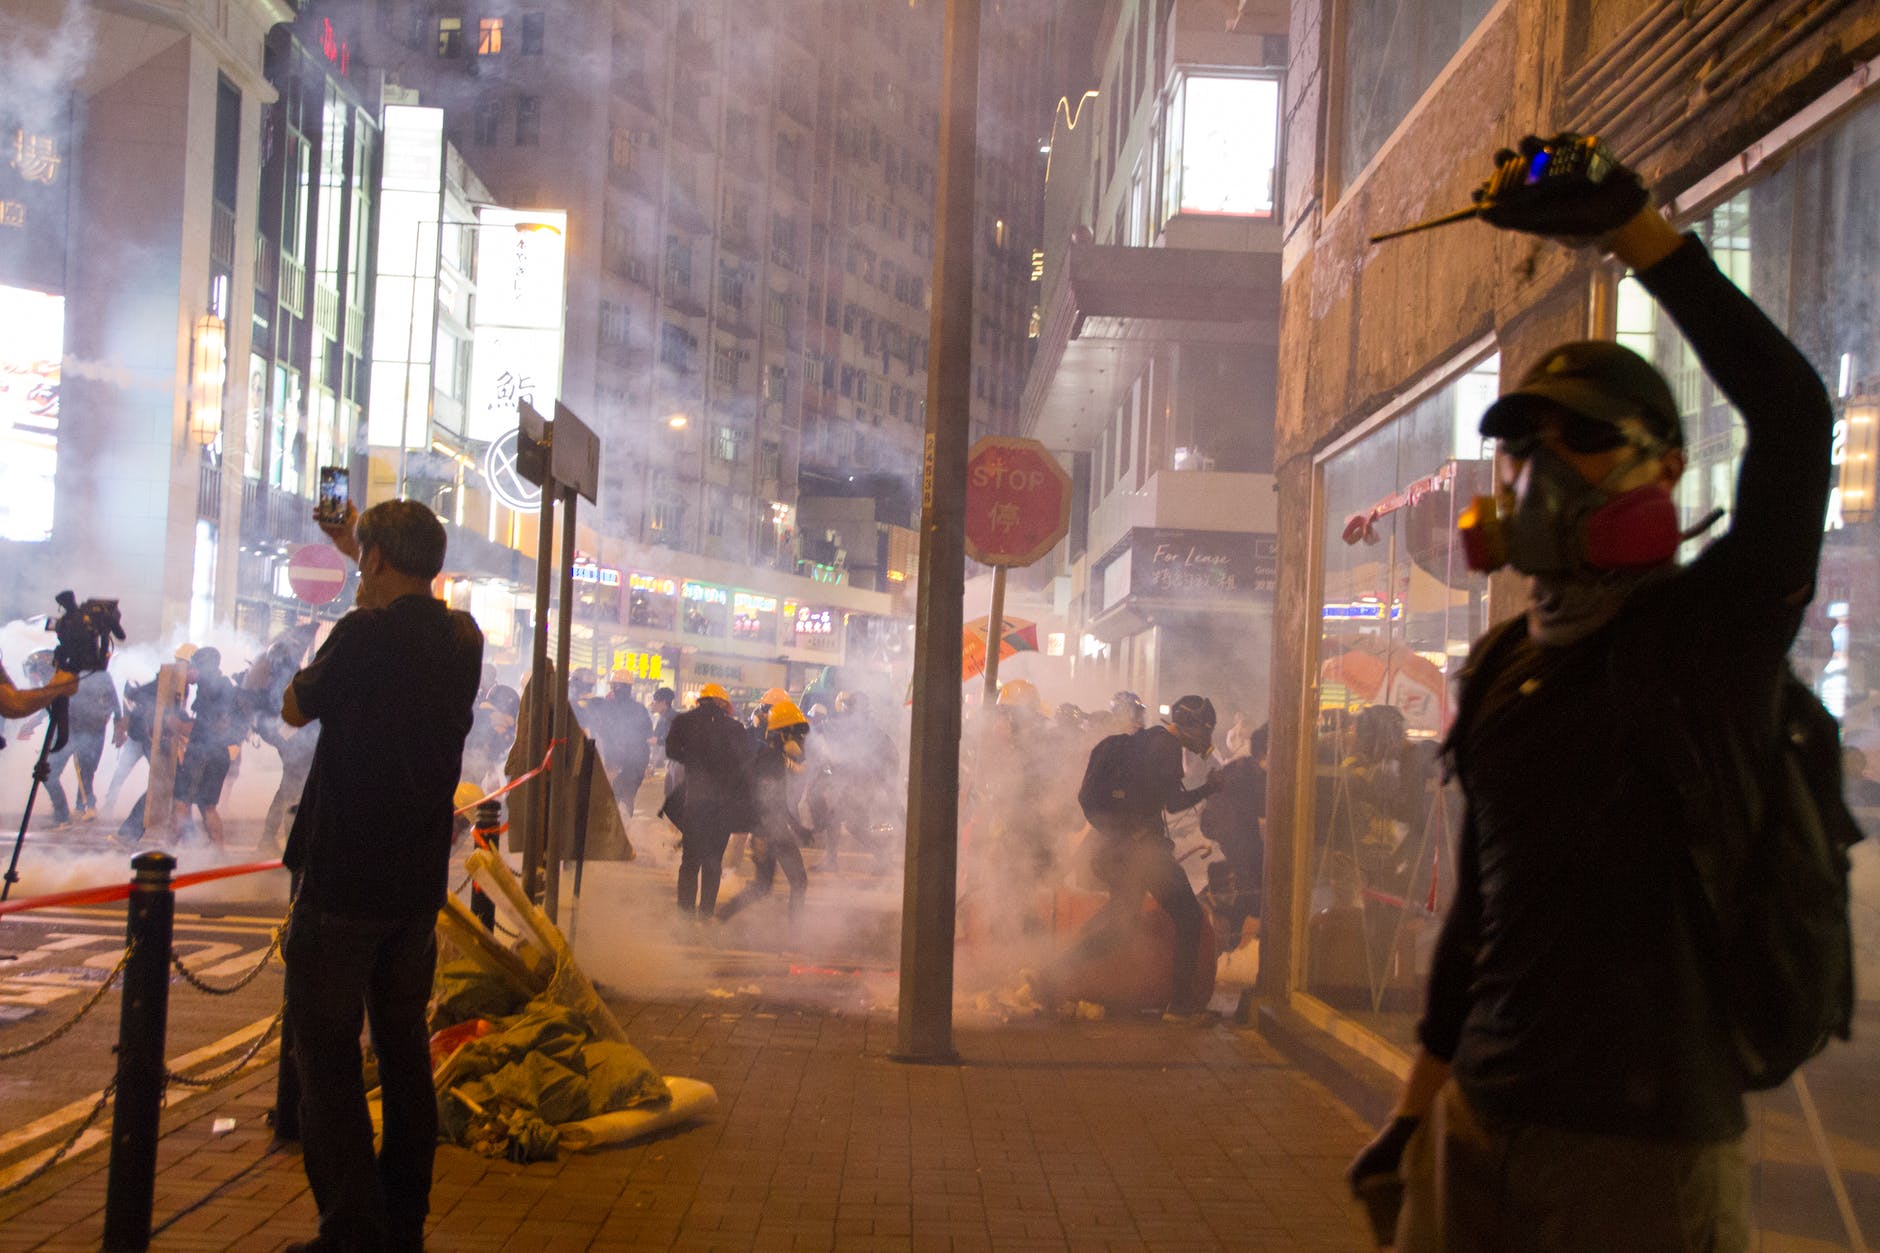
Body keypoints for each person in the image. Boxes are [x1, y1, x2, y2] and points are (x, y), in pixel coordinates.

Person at [1347, 144, 1833, 1251]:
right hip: (1476, 1124)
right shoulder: (1503, 663)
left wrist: (1637, 234)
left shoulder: (1708, 642)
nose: (1535, 468)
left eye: (1579, 437)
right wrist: (1414, 1107)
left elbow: (1794, 419)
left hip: (1643, 1155)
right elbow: (1480, 912)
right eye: (1518, 447)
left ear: (1659, 469)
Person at [279, 498, 483, 1253]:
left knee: (327, 1059)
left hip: (344, 880)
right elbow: (401, 615)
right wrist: (359, 546)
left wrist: (350, 593)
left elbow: (295, 705)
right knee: (401, 1052)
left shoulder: (360, 635)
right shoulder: (464, 637)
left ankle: (351, 1229)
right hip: (415, 885)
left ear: (376, 560)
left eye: (365, 556)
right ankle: (403, 1222)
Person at [1061, 694, 1223, 1019]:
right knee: (1189, 918)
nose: (1206, 738)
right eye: (1204, 729)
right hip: (1143, 853)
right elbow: (1175, 804)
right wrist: (1210, 787)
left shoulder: (1145, 741)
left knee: (1120, 925)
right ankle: (1181, 1006)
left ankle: (1052, 972)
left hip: (1115, 850)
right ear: (1189, 725)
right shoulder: (1167, 747)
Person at [717, 699, 814, 924]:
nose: (800, 738)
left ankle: (721, 917)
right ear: (782, 734)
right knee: (799, 881)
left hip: (766, 829)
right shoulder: (772, 760)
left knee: (762, 886)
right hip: (771, 831)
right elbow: (772, 803)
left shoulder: (771, 757)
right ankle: (796, 937)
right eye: (796, 732)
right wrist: (797, 827)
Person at [661, 683, 753, 919]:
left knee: (690, 860)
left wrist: (693, 761)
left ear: (702, 701)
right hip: (723, 805)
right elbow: (746, 763)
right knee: (713, 861)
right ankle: (705, 914)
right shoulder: (735, 728)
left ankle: (685, 915)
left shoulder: (683, 722)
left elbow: (671, 751)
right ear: (722, 704)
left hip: (695, 801)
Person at [1201, 723, 1266, 951]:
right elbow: (1264, 823)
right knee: (1250, 908)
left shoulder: (1235, 770)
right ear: (1266, 754)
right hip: (1246, 857)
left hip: (1229, 849)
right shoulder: (1258, 778)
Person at [172, 647, 242, 848]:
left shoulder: (208, 686)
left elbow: (209, 724)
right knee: (208, 806)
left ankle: (169, 850)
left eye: (192, 666)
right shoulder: (226, 685)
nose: (188, 671)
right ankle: (218, 852)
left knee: (182, 802)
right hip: (220, 754)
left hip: (202, 752)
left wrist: (181, 726)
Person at [43, 668, 120, 828]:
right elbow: (114, 702)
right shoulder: (102, 675)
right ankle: (82, 807)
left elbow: (53, 704)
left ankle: (70, 814)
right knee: (85, 770)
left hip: (75, 730)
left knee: (53, 772)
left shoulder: (70, 673)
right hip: (90, 730)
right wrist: (118, 723)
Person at [591, 676, 654, 817]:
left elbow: (603, 732)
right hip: (635, 762)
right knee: (625, 797)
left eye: (614, 686)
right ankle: (623, 826)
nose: (612, 689)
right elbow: (648, 734)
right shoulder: (639, 709)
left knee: (619, 796)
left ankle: (619, 830)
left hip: (622, 762)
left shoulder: (609, 707)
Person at [648, 686, 676, 766]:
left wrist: (657, 741)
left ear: (663, 702)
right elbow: (655, 736)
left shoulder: (671, 718)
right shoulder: (662, 717)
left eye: (654, 702)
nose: (651, 704)